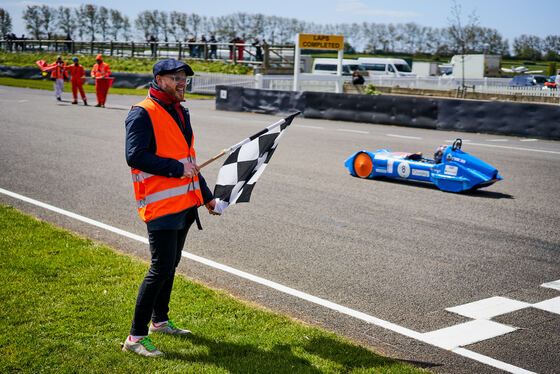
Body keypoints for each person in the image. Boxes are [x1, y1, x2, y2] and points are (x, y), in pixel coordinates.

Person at [122, 59, 220, 357]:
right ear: (159, 78)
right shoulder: (141, 113)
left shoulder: (180, 110)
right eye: (176, 77)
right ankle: (135, 338)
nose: (182, 82)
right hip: (161, 205)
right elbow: (135, 156)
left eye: (185, 78)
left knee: (170, 266)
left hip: (185, 204)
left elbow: (188, 157)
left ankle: (159, 321)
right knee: (160, 268)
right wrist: (177, 169)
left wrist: (207, 196)